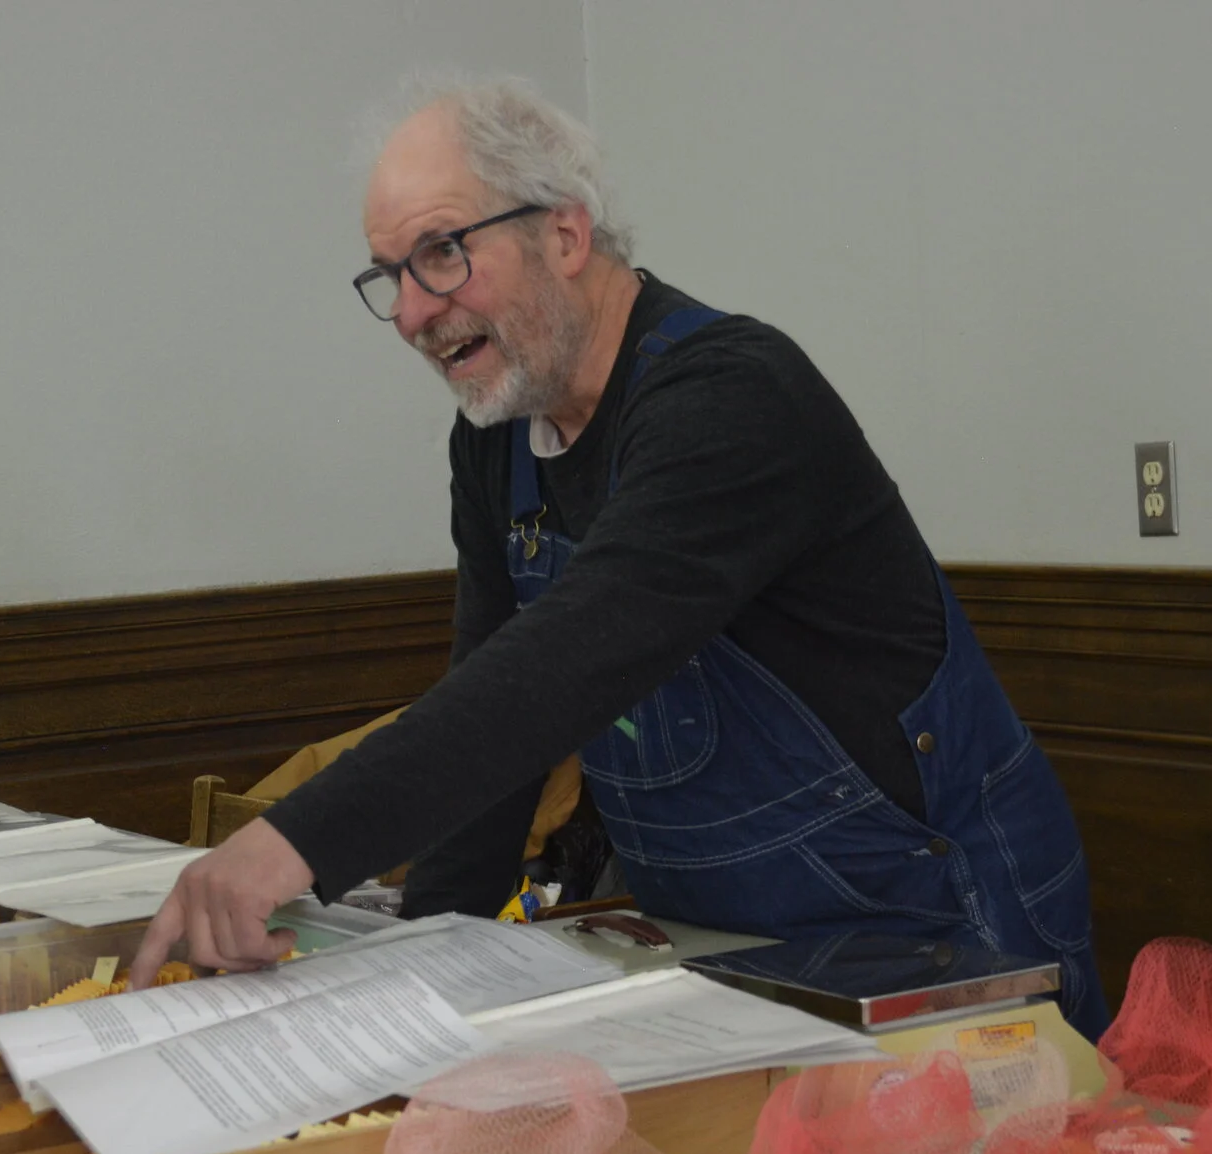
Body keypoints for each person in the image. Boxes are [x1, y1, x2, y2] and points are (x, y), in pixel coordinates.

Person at [136, 79, 1109, 1037]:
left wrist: (289, 843)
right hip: (720, 946)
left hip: (933, 928)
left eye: (441, 253)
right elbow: (490, 721)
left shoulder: (732, 397)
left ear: (565, 234)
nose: (411, 314)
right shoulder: (494, 442)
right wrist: (427, 972)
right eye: (391, 274)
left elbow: (562, 664)